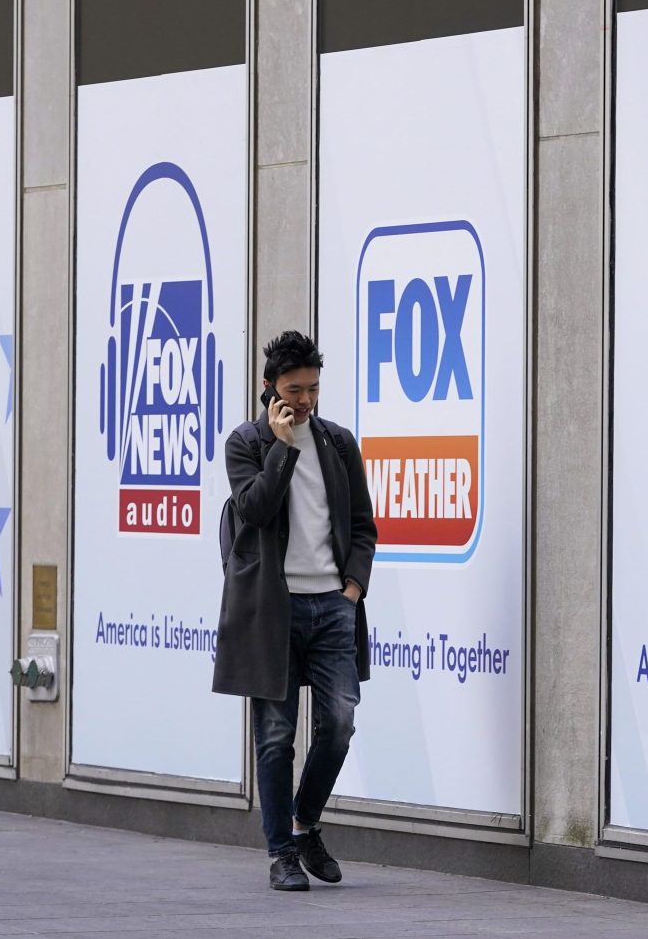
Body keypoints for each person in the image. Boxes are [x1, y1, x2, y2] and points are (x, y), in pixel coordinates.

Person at [213, 330, 376, 891]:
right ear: (269, 388)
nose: (305, 400)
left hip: (332, 605)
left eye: (312, 389)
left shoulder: (339, 443)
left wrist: (352, 587)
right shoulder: (246, 443)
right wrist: (282, 448)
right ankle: (281, 852)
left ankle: (305, 825)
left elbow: (362, 526)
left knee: (340, 723)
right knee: (276, 735)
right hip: (271, 610)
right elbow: (255, 510)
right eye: (293, 390)